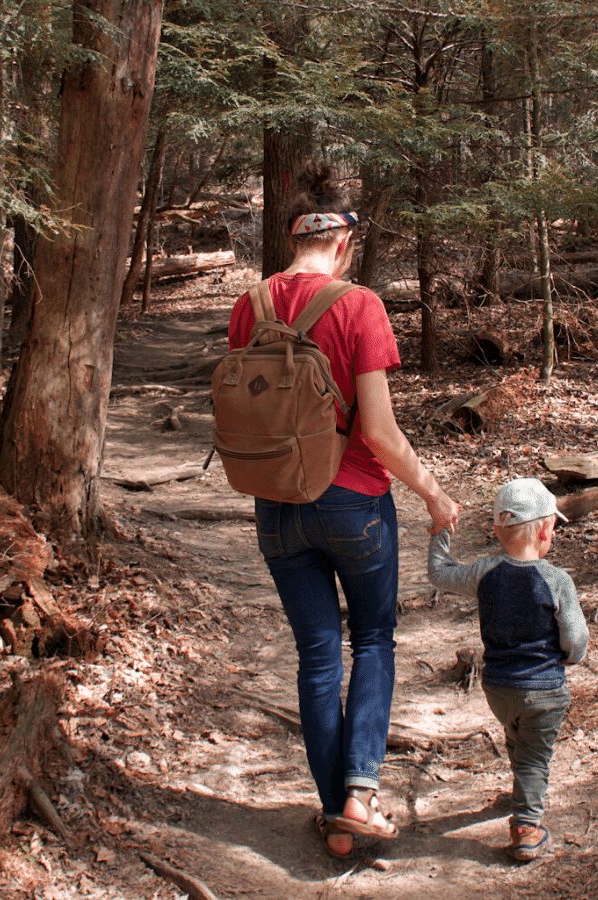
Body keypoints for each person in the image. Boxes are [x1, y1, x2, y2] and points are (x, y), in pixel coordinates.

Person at [228, 162, 461, 860]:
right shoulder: (358, 305)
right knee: (375, 640)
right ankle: (359, 794)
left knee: (318, 655)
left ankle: (337, 814)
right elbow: (381, 435)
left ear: (295, 233)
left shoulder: (250, 305)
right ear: (342, 242)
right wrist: (433, 493)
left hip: (275, 506)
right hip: (354, 501)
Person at [427, 477, 588, 862]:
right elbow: (576, 639)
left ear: (497, 529)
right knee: (535, 754)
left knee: (519, 737)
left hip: (498, 688)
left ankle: (522, 790)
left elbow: (440, 573)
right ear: (547, 529)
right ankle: (527, 826)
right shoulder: (556, 581)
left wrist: (440, 532)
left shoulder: (485, 572)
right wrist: (567, 660)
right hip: (545, 688)